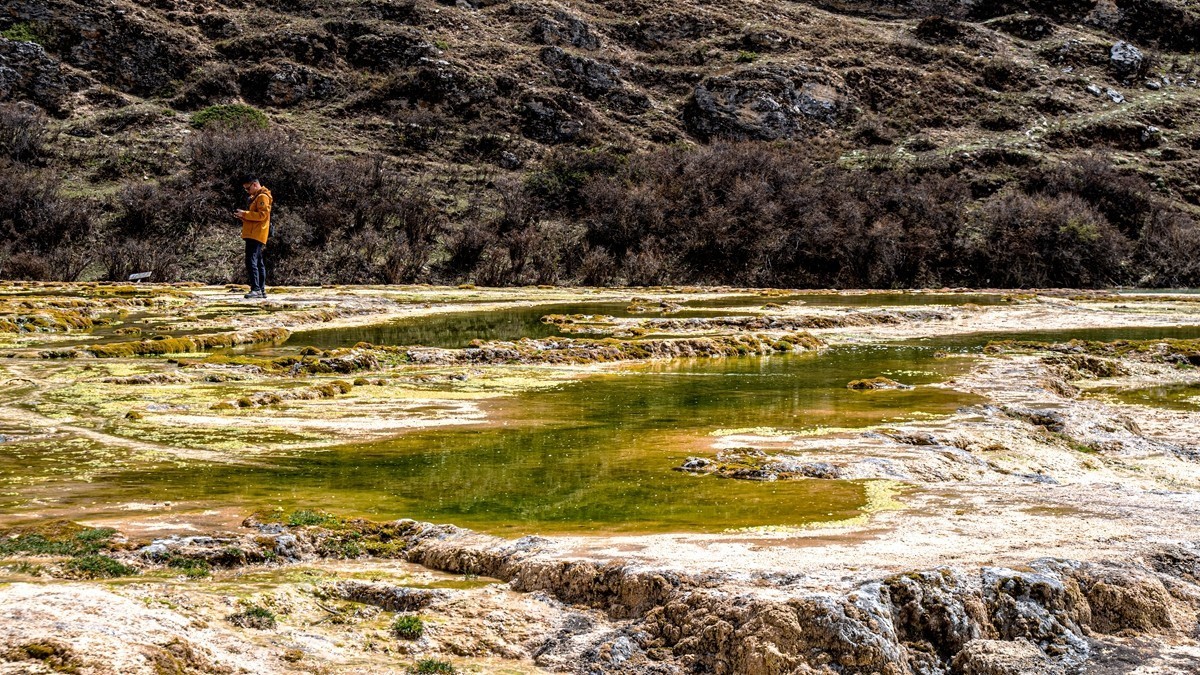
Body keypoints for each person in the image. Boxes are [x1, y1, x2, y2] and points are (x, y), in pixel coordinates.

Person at [234, 176, 273, 299]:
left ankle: (256, 289)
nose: (247, 191)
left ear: (255, 184)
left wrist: (245, 214)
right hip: (255, 233)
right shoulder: (258, 197)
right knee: (258, 261)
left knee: (251, 261)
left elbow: (262, 215)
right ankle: (260, 290)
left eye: (247, 188)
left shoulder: (262, 197)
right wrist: (243, 217)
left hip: (256, 234)